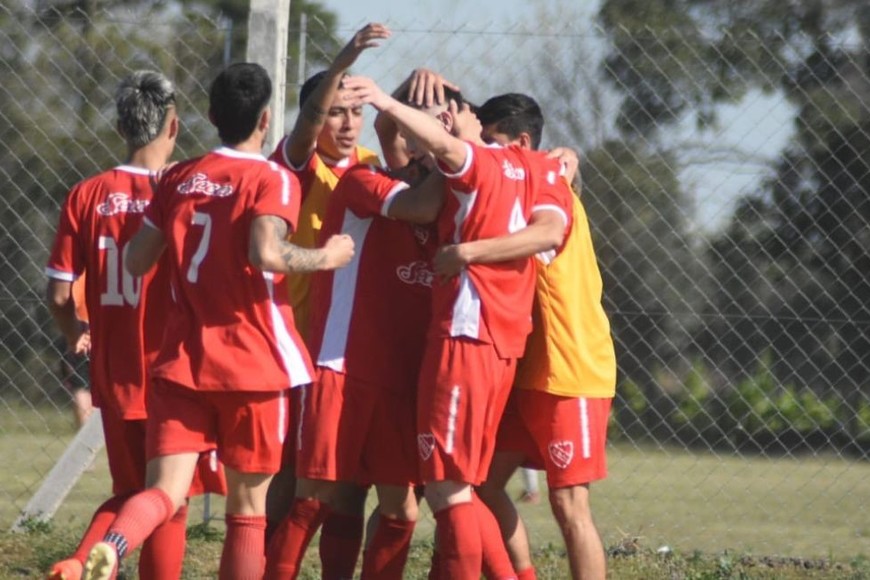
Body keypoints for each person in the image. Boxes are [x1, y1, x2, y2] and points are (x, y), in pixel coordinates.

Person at [80, 62, 355, 580]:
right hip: (254, 364)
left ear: (209, 116)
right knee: (248, 513)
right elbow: (267, 252)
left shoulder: (179, 177)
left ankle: (114, 546)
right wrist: (328, 255)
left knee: (162, 491)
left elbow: (138, 261)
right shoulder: (270, 177)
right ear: (265, 120)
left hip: (182, 363)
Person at [343, 75, 568, 577]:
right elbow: (548, 229)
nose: (448, 120)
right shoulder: (544, 170)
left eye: (458, 113)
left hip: (463, 338)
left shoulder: (477, 162)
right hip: (501, 341)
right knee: (461, 484)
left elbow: (442, 149)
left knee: (447, 486)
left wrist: (384, 97)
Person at [44, 70, 225, 580]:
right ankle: (88, 564)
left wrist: (73, 328)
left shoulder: (86, 195)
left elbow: (59, 293)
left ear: (123, 127)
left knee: (135, 495)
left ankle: (79, 565)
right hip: (177, 372)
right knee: (170, 498)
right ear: (173, 126)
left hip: (115, 369)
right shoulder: (189, 191)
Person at [434, 93, 616, 580]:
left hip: (570, 368)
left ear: (522, 144)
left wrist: (467, 252)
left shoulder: (549, 188)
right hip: (523, 367)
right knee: (484, 483)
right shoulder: (518, 181)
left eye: (496, 142)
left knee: (569, 504)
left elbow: (545, 235)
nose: (489, 154)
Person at [265, 143, 443, 580]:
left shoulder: (453, 203)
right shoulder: (365, 181)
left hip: (400, 379)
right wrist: (457, 152)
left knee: (401, 509)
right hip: (341, 364)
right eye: (423, 149)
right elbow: (417, 205)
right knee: (314, 498)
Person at [265, 24, 389, 576]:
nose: (346, 123)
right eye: (335, 111)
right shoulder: (294, 161)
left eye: (354, 112)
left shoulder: (371, 165)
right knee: (290, 478)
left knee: (350, 481)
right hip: (289, 343)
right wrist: (347, 57)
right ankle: (266, 562)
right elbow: (309, 122)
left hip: (345, 350)